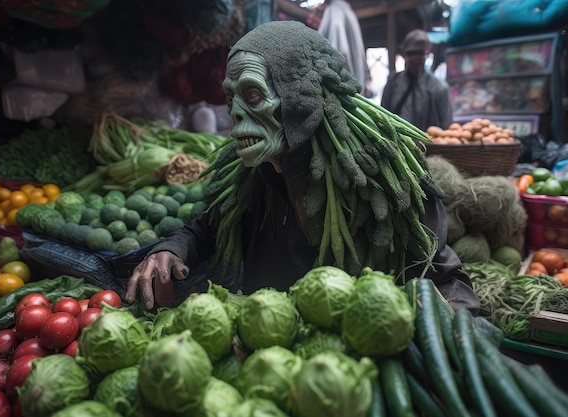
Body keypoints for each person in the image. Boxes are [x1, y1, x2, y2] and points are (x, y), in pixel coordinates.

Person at [125, 21, 480, 315]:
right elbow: (209, 226)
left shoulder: (381, 186)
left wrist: (452, 326)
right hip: (266, 348)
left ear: (301, 98)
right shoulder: (255, 176)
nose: (234, 114)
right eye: (231, 99)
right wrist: (171, 249)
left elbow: (443, 277)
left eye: (252, 96)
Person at [273, 0, 372, 96]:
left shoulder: (334, 11)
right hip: (352, 83)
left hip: (341, 84)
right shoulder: (348, 12)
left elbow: (338, 51)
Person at [381, 29, 453, 131]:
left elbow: (447, 128)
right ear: (405, 54)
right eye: (412, 54)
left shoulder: (439, 88)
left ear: (427, 53)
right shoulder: (393, 84)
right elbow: (382, 119)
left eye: (420, 54)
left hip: (430, 144)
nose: (415, 59)